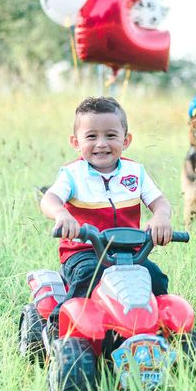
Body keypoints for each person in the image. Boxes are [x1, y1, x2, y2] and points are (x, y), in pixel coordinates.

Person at [40, 96, 173, 338]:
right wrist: (62, 215)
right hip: (85, 251)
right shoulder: (72, 174)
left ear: (126, 139)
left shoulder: (136, 172)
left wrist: (160, 218)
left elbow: (160, 201)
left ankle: (155, 332)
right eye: (91, 136)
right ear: (76, 142)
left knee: (155, 278)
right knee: (89, 276)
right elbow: (49, 199)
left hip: (131, 254)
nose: (101, 144)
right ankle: (57, 329)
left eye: (111, 135)